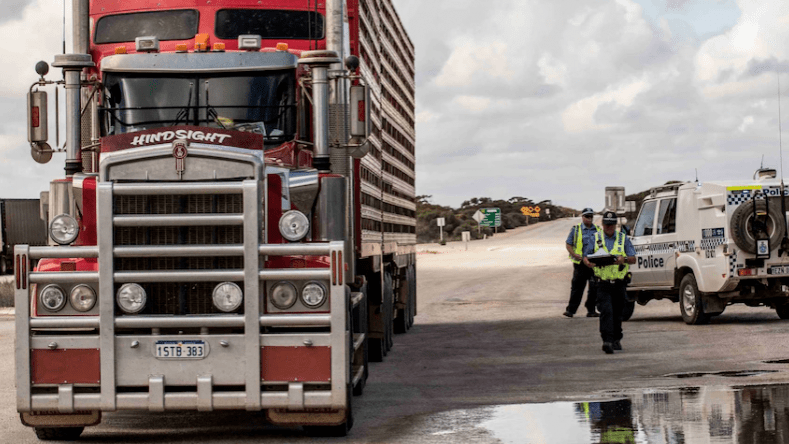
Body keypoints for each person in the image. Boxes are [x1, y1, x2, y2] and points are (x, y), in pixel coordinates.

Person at [583, 211, 636, 354]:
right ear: (602, 224)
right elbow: (586, 256)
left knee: (618, 312)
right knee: (606, 311)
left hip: (619, 283)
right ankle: (607, 340)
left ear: (615, 225)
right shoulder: (595, 238)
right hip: (602, 283)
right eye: (607, 224)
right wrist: (588, 263)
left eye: (612, 225)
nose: (609, 227)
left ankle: (616, 339)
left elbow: (633, 258)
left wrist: (623, 259)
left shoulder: (623, 239)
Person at [564, 207, 602, 318]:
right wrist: (574, 254)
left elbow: (602, 245)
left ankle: (591, 310)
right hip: (580, 263)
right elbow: (568, 244)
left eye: (591, 216)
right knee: (577, 287)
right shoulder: (576, 230)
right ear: (582, 217)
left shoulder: (598, 230)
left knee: (594, 287)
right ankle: (571, 310)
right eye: (587, 216)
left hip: (593, 263)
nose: (589, 219)